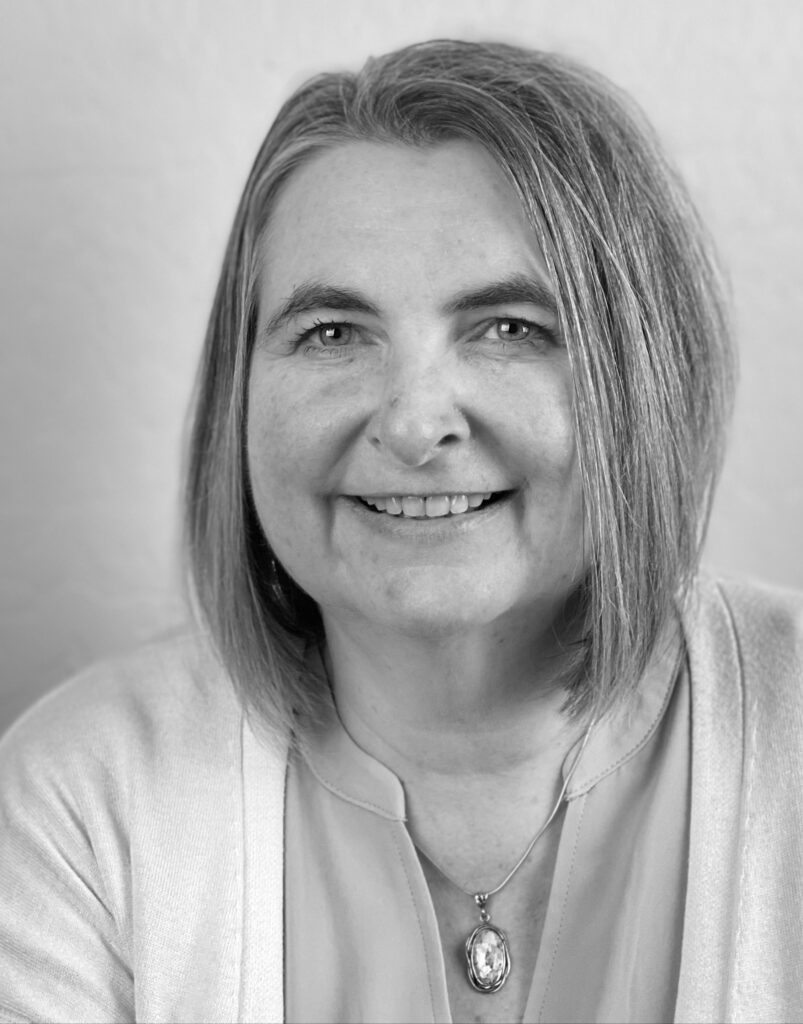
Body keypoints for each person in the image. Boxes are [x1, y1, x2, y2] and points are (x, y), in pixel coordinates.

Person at [1, 38, 801, 1024]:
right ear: (240, 394)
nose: (416, 422)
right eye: (331, 332)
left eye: (508, 327)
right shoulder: (80, 803)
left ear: (641, 376)